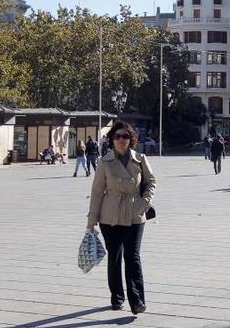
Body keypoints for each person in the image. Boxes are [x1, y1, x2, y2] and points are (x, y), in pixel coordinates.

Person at [86, 121, 156, 315]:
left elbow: (151, 182)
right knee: (115, 257)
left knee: (132, 257)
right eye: (117, 136)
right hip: (110, 216)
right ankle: (117, 297)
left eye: (125, 136)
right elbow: (97, 192)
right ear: (111, 140)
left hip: (135, 212)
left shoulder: (140, 158)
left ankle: (137, 301)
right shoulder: (105, 162)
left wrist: (145, 202)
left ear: (130, 139)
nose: (121, 140)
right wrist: (91, 222)